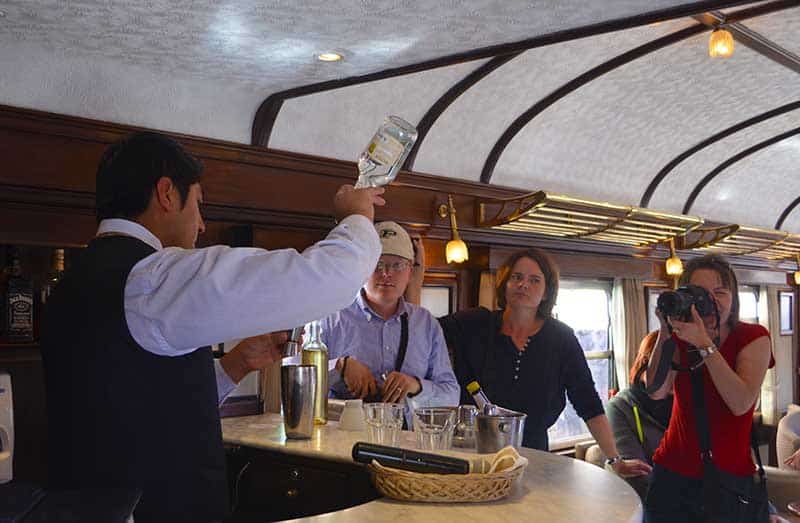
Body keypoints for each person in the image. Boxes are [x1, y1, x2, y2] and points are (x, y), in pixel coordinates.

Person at [40, 131, 386, 523]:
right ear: (167, 193)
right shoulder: (153, 277)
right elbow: (326, 278)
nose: (202, 225)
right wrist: (357, 217)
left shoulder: (74, 284)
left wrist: (234, 367)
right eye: (199, 205)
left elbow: (133, 395)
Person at [437, 247, 650, 478]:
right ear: (504, 284)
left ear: (547, 291)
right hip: (470, 455)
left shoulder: (561, 339)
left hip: (533, 458)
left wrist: (615, 460)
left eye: (534, 280)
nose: (523, 285)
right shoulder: (474, 323)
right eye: (516, 277)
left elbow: (589, 403)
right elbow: (421, 330)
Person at [644, 254, 774, 523]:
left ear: (734, 297)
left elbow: (740, 402)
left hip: (727, 477)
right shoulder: (680, 336)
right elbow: (655, 391)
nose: (711, 301)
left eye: (720, 292)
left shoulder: (753, 336)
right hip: (672, 470)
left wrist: (704, 344)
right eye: (700, 293)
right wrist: (665, 333)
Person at [322, 221, 459, 425]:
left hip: (406, 444)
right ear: (363, 267)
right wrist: (339, 366)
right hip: (340, 440)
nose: (387, 273)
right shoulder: (331, 316)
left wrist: (417, 386)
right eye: (377, 264)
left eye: (397, 265)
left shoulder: (426, 324)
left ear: (410, 271)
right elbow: (296, 374)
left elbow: (451, 395)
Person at [606, 331, 673, 499]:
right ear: (645, 364)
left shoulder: (689, 401)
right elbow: (638, 480)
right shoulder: (620, 408)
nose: (673, 376)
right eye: (667, 366)